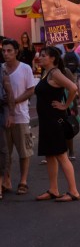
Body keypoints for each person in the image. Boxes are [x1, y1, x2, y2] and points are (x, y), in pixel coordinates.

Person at [35, 46, 80, 202]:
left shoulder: (55, 73)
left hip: (54, 120)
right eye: (40, 55)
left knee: (61, 155)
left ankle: (73, 191)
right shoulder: (46, 73)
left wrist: (65, 105)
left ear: (52, 58)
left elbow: (73, 88)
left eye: (43, 55)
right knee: (50, 155)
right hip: (47, 120)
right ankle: (54, 189)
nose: (40, 57)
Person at [2, 39, 35, 195]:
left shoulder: (25, 68)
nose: (6, 54)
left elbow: (30, 90)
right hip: (4, 117)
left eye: (9, 51)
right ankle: (6, 180)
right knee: (5, 152)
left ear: (16, 51)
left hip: (21, 116)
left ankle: (23, 180)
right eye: (4, 51)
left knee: (24, 151)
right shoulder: (1, 69)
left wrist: (15, 101)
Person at [0, 63, 15, 200]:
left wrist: (11, 114)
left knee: (2, 150)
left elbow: (9, 91)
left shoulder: (2, 70)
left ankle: (2, 182)